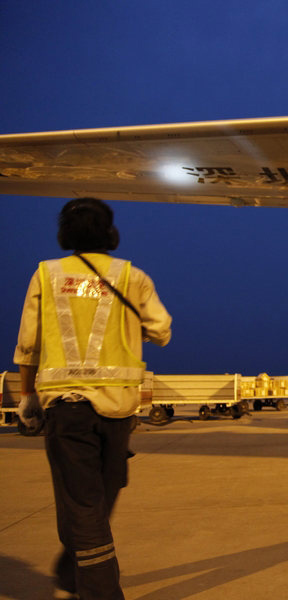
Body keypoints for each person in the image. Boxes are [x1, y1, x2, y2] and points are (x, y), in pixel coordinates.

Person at [14, 197, 172, 600]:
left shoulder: (47, 275)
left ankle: (80, 576)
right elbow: (162, 329)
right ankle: (88, 582)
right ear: (109, 232)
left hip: (67, 411)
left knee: (83, 505)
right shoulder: (131, 276)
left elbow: (29, 345)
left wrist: (27, 395)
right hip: (118, 411)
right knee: (95, 501)